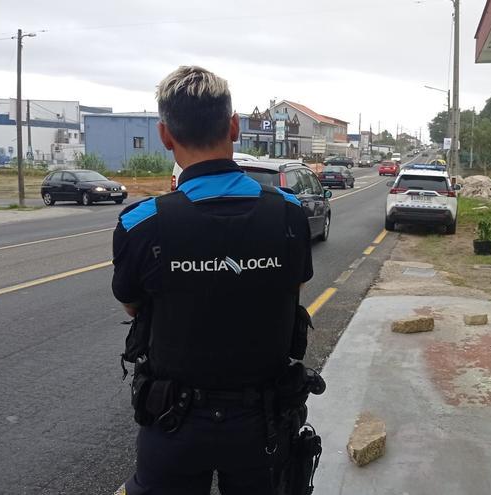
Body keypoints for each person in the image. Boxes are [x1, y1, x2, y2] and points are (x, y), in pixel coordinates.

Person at [112, 66, 314, 495]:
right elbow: (290, 291)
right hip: (265, 422)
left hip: (173, 423)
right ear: (235, 127)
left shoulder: (140, 224)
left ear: (165, 135)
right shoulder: (289, 214)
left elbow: (132, 304)